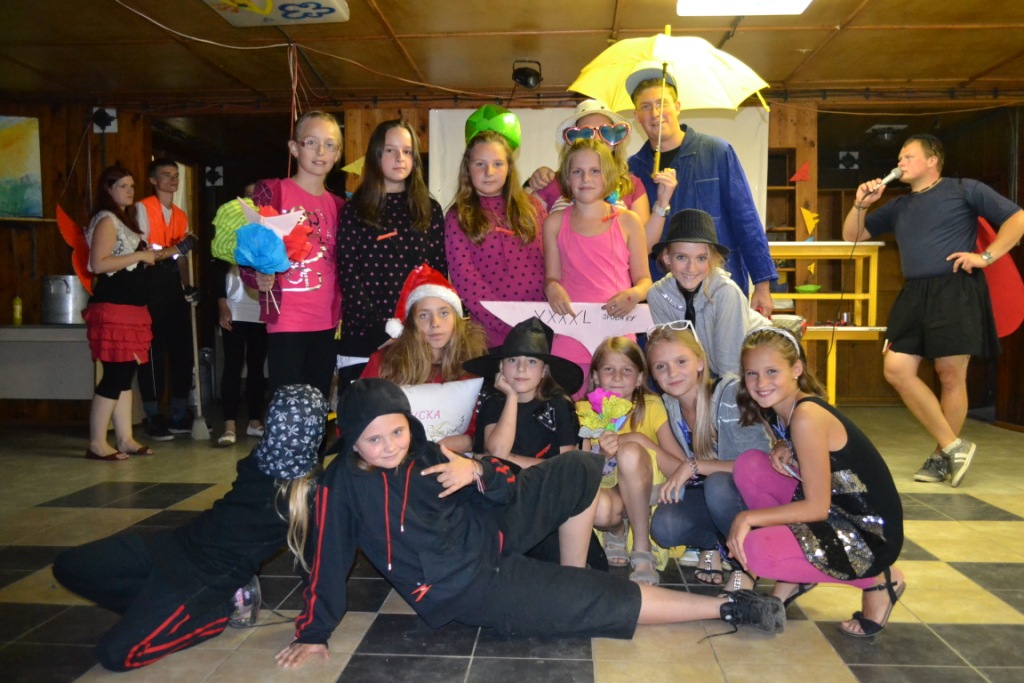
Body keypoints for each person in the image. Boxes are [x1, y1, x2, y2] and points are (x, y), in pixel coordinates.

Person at [274, 378, 784, 669]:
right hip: (470, 584)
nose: (389, 446)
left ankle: (570, 569)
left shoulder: (425, 451)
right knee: (598, 601)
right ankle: (728, 606)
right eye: (373, 439)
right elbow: (327, 560)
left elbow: (503, 480)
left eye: (396, 432)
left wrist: (475, 470)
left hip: (491, 526)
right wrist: (314, 632)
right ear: (352, 442)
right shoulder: (341, 487)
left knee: (578, 466)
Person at [53, 384, 327, 670]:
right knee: (68, 565)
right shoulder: (259, 457)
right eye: (281, 421)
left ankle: (216, 614)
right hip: (176, 544)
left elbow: (318, 567)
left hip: (204, 578)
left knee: (116, 655)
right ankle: (151, 608)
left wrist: (315, 631)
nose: (285, 434)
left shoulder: (312, 493)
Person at [843, 133, 1024, 487]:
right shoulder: (899, 205)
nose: (900, 163)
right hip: (915, 293)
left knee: (950, 374)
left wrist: (985, 257)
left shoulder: (964, 189)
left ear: (932, 160)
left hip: (955, 288)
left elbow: (1017, 218)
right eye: (899, 158)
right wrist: (860, 204)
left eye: (908, 156)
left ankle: (943, 457)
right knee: (896, 369)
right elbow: (853, 235)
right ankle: (954, 446)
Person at [729, 327, 905, 636]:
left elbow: (817, 508)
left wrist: (747, 518)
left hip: (869, 535)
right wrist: (782, 445)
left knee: (756, 550)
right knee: (750, 466)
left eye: (772, 371)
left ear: (796, 369)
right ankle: (796, 574)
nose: (761, 383)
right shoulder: (786, 408)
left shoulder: (807, 416)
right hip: (838, 511)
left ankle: (879, 580)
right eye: (752, 374)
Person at [626, 70, 777, 315]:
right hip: (660, 293)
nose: (655, 113)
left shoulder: (716, 152)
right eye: (645, 106)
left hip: (718, 288)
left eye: (662, 103)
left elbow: (746, 219)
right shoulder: (632, 170)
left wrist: (762, 284)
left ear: (677, 107)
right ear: (636, 116)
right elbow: (626, 240)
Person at [645, 322, 772, 589]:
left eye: (681, 361)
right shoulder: (669, 404)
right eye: (661, 367)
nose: (672, 373)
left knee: (717, 484)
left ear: (700, 363)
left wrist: (694, 465)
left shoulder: (729, 394)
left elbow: (759, 467)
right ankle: (714, 545)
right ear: (653, 375)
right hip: (711, 495)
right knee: (664, 527)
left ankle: (747, 566)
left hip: (758, 498)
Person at [82, 165, 185, 461]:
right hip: (114, 306)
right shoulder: (107, 219)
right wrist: (140, 254)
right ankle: (97, 442)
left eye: (131, 186)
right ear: (108, 189)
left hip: (130, 306)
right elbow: (98, 264)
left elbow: (137, 259)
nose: (129, 191)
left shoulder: (122, 219)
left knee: (125, 373)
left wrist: (169, 251)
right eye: (123, 186)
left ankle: (125, 438)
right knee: (115, 374)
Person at [245, 111, 346, 403]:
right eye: (311, 142)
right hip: (286, 320)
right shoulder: (273, 191)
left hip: (327, 322)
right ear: (294, 147)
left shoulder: (339, 206)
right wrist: (256, 276)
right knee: (287, 404)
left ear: (337, 153)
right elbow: (249, 245)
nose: (320, 151)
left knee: (317, 404)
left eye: (329, 144)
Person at [337, 119, 446, 387]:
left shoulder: (430, 210)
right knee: (364, 412)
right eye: (390, 150)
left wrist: (416, 328)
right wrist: (382, 330)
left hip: (417, 338)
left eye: (407, 151)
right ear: (376, 155)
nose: (400, 158)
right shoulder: (354, 210)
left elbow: (437, 277)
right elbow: (348, 275)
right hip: (365, 338)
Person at [543, 138, 652, 383]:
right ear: (567, 177)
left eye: (595, 171)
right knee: (570, 402)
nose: (586, 179)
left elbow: (645, 280)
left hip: (618, 334)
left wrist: (633, 295)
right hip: (570, 335)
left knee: (615, 404)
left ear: (609, 175)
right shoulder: (554, 223)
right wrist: (551, 287)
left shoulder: (629, 221)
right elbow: (551, 277)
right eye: (577, 172)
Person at [581, 336, 688, 585]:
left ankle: (642, 548)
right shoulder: (585, 413)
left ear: (639, 379)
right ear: (595, 376)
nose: (617, 377)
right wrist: (601, 454)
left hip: (650, 498)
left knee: (629, 451)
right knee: (598, 508)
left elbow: (680, 468)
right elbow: (581, 475)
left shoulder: (651, 406)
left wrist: (640, 439)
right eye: (609, 369)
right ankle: (616, 531)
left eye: (627, 370)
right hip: (610, 497)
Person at [362, 263, 488, 453]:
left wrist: (470, 441)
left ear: (457, 319)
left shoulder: (475, 363)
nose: (434, 323)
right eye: (423, 315)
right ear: (411, 323)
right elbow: (357, 419)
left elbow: (488, 428)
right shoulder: (384, 362)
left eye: (443, 313)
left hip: (457, 460)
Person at [445, 121, 546, 347]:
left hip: (540, 327)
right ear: (468, 168)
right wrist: (506, 322)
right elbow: (465, 279)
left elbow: (552, 262)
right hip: (491, 333)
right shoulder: (458, 216)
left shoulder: (533, 208)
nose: (489, 172)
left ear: (509, 168)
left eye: (497, 164)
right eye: (480, 164)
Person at [527, 100, 675, 241]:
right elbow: (525, 229)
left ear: (616, 141)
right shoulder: (552, 183)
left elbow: (644, 246)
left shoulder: (631, 186)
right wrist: (534, 182)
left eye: (606, 132)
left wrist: (662, 204)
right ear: (573, 142)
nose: (597, 139)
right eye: (586, 134)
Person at [647, 209, 769, 378]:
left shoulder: (725, 292)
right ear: (667, 258)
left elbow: (731, 368)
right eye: (681, 257)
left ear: (712, 259)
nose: (691, 268)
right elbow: (673, 355)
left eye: (701, 258)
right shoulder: (658, 295)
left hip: (763, 365)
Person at [464, 317, 583, 471]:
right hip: (500, 483)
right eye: (512, 360)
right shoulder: (493, 403)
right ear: (501, 367)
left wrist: (509, 459)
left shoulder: (559, 406)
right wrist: (512, 397)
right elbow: (498, 453)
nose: (521, 368)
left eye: (532, 361)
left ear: (543, 371)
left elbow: (564, 467)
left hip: (545, 484)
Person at [135, 158, 197, 439]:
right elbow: (147, 251)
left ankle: (179, 413)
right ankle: (152, 415)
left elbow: (181, 256)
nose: (173, 180)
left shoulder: (180, 215)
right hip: (150, 281)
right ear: (153, 180)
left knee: (183, 349)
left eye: (175, 175)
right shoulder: (143, 208)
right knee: (154, 352)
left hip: (173, 283)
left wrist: (188, 285)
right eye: (166, 175)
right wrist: (177, 249)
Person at [213, 183, 267, 446]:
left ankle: (255, 421)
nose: (253, 200)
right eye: (248, 195)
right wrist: (221, 303)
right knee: (233, 365)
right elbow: (216, 267)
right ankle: (229, 424)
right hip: (234, 304)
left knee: (257, 366)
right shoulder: (229, 226)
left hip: (259, 305)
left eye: (257, 196)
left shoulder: (269, 228)